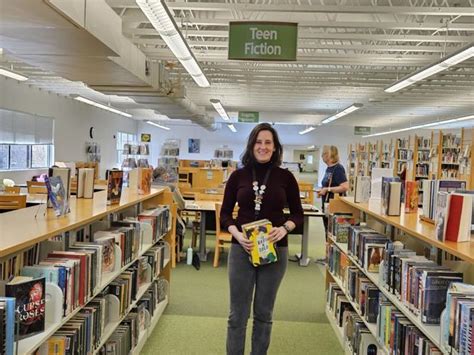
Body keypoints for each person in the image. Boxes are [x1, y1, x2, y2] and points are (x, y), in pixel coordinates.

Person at [220, 123, 304, 355]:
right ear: (251, 145)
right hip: (242, 250)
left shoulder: (286, 177)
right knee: (237, 314)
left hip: (275, 251)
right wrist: (236, 233)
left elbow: (298, 214)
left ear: (275, 147)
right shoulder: (238, 175)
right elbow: (225, 214)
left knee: (264, 314)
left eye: (268, 142)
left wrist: (285, 228)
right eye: (259, 142)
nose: (263, 147)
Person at [318, 145, 349, 239]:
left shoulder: (338, 168)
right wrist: (323, 190)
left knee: (332, 233)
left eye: (323, 154)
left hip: (335, 207)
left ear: (328, 155)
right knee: (327, 231)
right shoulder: (329, 168)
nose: (322, 156)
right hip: (327, 205)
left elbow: (345, 186)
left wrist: (327, 189)